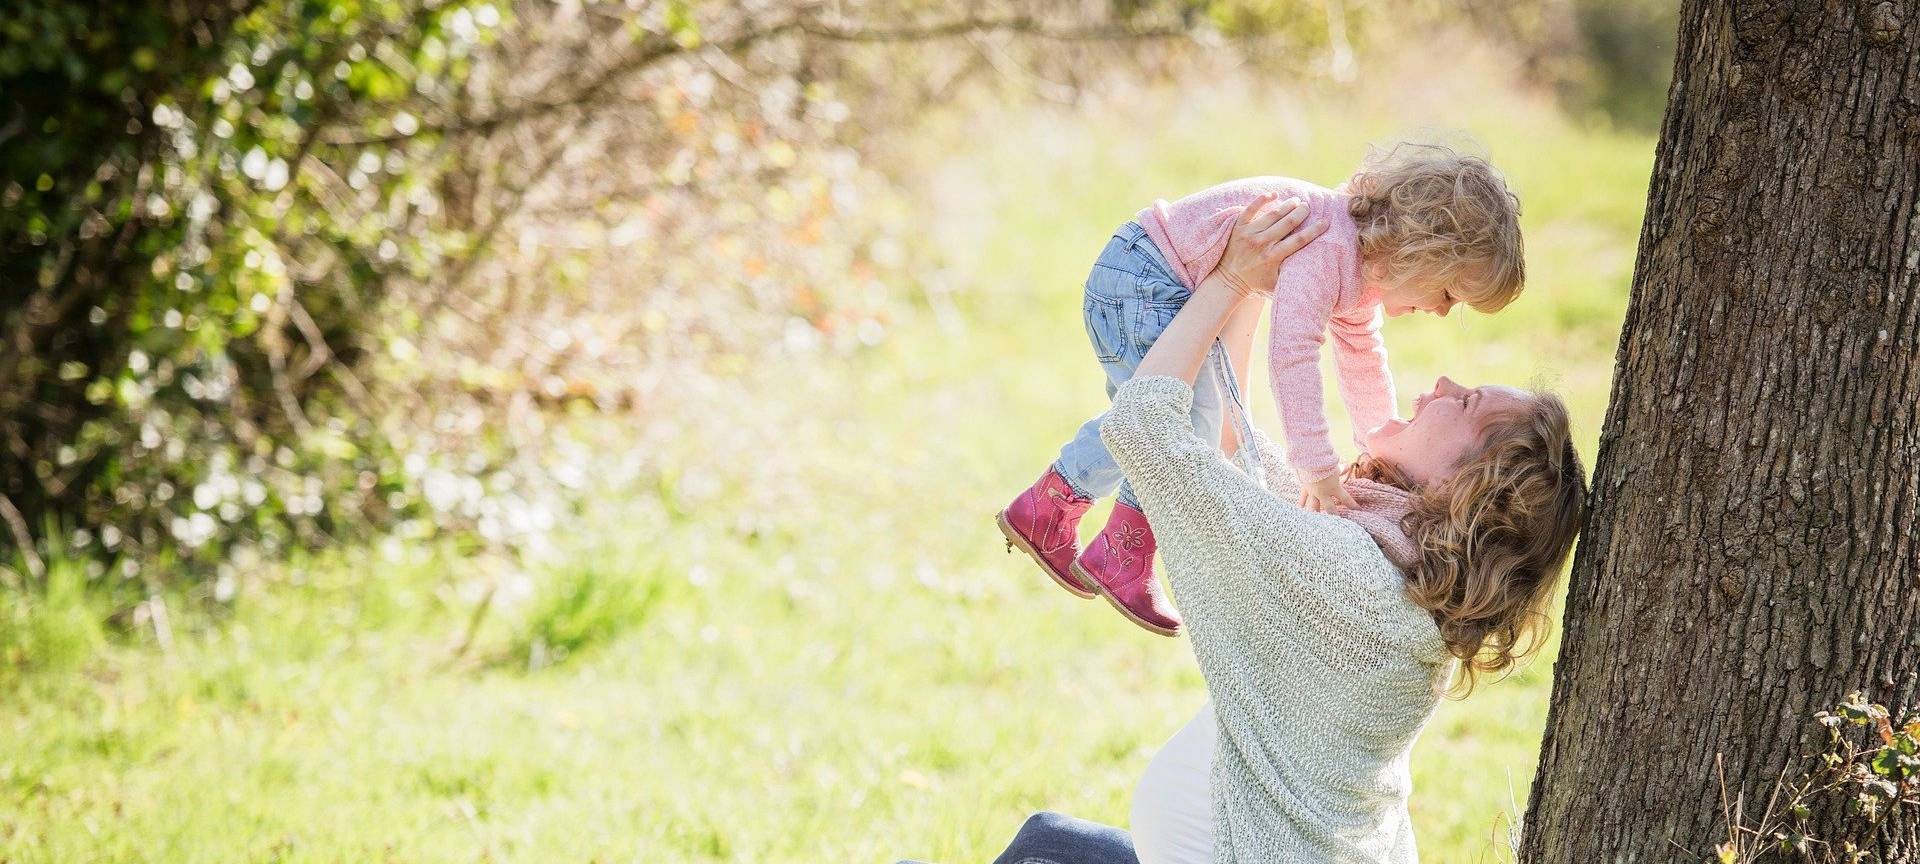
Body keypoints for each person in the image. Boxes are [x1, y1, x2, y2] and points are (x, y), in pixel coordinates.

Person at [971, 198, 1584, 863]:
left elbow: (1144, 431)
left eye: (1465, 403)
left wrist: (1228, 282)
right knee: (1048, 842)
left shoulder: (1350, 580)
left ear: (1465, 488)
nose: (1442, 381)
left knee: (1043, 852)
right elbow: (1236, 448)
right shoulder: (1389, 556)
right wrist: (1270, 283)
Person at [997, 141, 1527, 637]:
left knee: (1171, 416)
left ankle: (1058, 512)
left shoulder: (1359, 270)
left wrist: (1376, 447)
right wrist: (1316, 468)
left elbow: (1363, 361)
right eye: (1449, 292)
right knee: (1174, 419)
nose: (1439, 310)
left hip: (1153, 278)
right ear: (1419, 251)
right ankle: (1114, 545)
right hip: (1143, 279)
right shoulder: (1330, 246)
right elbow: (1292, 355)